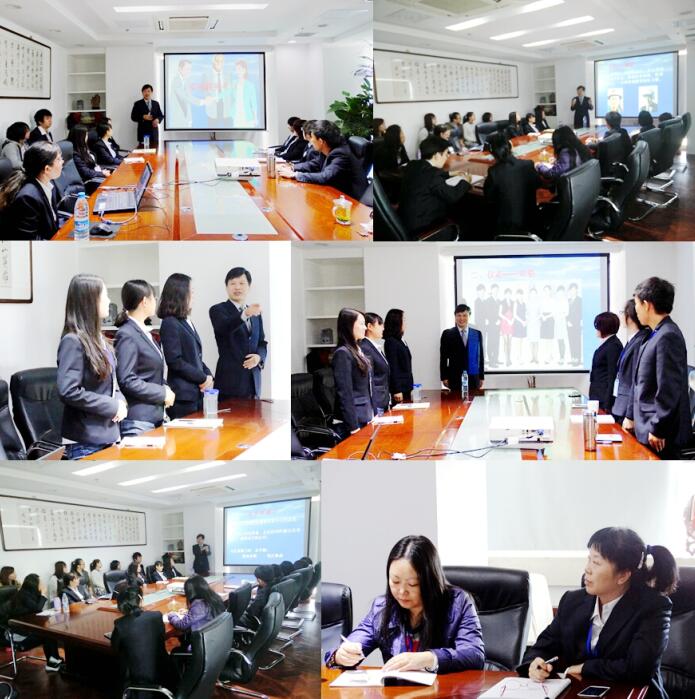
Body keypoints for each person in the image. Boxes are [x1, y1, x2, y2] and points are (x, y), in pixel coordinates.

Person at [518, 527, 677, 699]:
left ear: (623, 575)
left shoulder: (653, 607)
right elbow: (542, 647)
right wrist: (534, 664)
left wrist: (585, 668)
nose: (587, 569)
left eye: (596, 562)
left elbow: (637, 670)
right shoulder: (572, 601)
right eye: (589, 559)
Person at [326, 535, 484, 674]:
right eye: (395, 581)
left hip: (445, 691)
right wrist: (341, 655)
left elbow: (474, 655)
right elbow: (354, 643)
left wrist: (429, 658)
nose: (401, 592)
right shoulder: (381, 608)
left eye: (413, 584)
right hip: (398, 692)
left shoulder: (458, 603)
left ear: (430, 581)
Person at [57, 274, 125, 459]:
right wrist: (111, 405)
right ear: (90, 301)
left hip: (108, 434)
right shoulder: (73, 341)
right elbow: (68, 391)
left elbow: (111, 383)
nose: (109, 301)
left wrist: (120, 401)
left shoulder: (99, 339)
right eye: (105, 296)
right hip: (86, 441)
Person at [624, 277, 691, 458]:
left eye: (637, 304)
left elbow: (669, 388)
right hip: (645, 426)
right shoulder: (654, 334)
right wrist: (631, 416)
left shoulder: (668, 336)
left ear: (647, 305)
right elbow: (639, 381)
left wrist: (658, 428)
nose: (635, 310)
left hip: (659, 435)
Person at [114, 280, 173, 437]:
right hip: (139, 420)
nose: (156, 301)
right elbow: (127, 380)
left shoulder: (144, 331)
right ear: (144, 301)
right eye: (154, 297)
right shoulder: (127, 334)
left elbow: (151, 372)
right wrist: (161, 393)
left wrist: (165, 388)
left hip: (154, 416)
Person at [157, 273, 213, 420]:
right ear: (180, 293)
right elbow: (175, 361)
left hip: (195, 394)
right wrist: (202, 378)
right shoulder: (170, 322)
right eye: (191, 292)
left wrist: (208, 375)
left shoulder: (185, 321)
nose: (193, 296)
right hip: (183, 397)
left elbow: (195, 357)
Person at [209, 267, 267, 401]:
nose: (237, 287)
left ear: (249, 286)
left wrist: (259, 357)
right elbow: (224, 327)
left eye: (242, 283)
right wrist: (244, 314)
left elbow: (262, 342)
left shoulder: (255, 314)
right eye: (233, 283)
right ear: (226, 287)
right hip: (230, 383)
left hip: (254, 382)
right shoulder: (217, 310)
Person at [397, 136, 470, 239]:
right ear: (436, 155)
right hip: (423, 229)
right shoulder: (433, 175)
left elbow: (427, 173)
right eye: (446, 153)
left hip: (404, 222)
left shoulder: (413, 165)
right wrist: (465, 181)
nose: (447, 157)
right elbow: (453, 196)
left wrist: (450, 173)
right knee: (464, 221)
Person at [111, 586, 177, 698]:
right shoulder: (156, 616)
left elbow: (115, 647)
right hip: (166, 675)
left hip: (141, 683)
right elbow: (160, 638)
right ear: (141, 600)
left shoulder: (120, 624)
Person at [278, 119, 368, 199]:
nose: (310, 141)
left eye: (312, 138)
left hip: (350, 200)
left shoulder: (340, 153)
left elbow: (325, 176)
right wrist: (293, 167)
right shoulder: (329, 147)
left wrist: (295, 175)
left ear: (321, 141)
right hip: (334, 192)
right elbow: (315, 163)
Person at [1, 141, 64, 240]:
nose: (63, 161)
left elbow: (53, 221)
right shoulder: (27, 198)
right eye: (59, 159)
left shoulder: (49, 184)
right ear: (47, 169)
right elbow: (30, 241)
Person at [0, 574, 63, 671]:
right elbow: (36, 609)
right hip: (15, 634)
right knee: (47, 634)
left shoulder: (29, 595)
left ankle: (54, 660)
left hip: (23, 630)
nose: (42, 584)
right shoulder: (24, 596)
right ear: (34, 584)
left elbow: (34, 611)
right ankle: (52, 662)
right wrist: (43, 595)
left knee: (49, 633)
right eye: (40, 583)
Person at [484, 133, 541, 236]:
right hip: (533, 222)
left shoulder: (494, 172)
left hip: (508, 229)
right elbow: (538, 184)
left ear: (492, 153)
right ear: (510, 146)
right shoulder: (528, 164)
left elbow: (489, 198)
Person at [331, 308, 373, 438]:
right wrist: (353, 427)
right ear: (349, 326)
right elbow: (345, 393)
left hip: (365, 414)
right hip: (354, 421)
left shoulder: (357, 350)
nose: (365, 327)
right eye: (361, 324)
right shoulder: (343, 353)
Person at [612, 299, 650, 424]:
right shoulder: (633, 339)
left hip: (628, 407)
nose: (621, 316)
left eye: (622, 312)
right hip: (621, 403)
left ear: (630, 317)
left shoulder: (641, 341)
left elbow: (636, 380)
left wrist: (630, 414)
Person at [440, 304, 485, 395]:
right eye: (459, 315)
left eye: (465, 315)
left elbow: (480, 357)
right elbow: (443, 358)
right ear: (455, 317)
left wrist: (481, 376)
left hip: (473, 377)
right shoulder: (447, 334)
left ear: (469, 316)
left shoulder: (477, 334)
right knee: (455, 402)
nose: (461, 318)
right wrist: (444, 377)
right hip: (454, 377)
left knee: (473, 401)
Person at [167, 575, 225, 641]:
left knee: (176, 645)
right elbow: (203, 613)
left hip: (206, 642)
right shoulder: (213, 597)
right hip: (218, 637)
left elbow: (181, 624)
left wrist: (172, 615)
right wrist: (189, 611)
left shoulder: (199, 604)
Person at [589, 312, 623, 412]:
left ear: (604, 327)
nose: (596, 329)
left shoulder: (613, 346)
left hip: (604, 399)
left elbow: (612, 376)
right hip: (598, 396)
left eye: (598, 326)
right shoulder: (607, 343)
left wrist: (608, 405)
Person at [359, 312, 390, 415]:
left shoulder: (373, 346)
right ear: (370, 326)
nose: (383, 328)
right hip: (376, 401)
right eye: (380, 324)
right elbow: (369, 378)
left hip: (382, 398)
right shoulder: (365, 347)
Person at [384, 308, 413, 405]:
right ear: (396, 321)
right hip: (399, 389)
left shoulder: (400, 340)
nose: (405, 323)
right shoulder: (391, 341)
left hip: (406, 386)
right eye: (403, 319)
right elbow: (393, 367)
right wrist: (396, 389)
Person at [239, 565, 275, 629]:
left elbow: (252, 611)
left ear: (259, 580)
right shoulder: (273, 586)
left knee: (232, 617)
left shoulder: (263, 593)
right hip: (267, 620)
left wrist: (244, 607)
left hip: (255, 621)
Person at [131, 83, 164, 148]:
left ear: (152, 92)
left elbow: (161, 115)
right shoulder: (137, 104)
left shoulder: (156, 103)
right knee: (143, 152)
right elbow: (133, 117)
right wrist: (143, 117)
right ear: (142, 93)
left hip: (154, 133)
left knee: (155, 151)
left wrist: (157, 120)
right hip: (143, 133)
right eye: (145, 91)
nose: (147, 93)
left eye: (148, 91)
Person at [567, 283, 583, 366]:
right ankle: (573, 358)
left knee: (577, 341)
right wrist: (567, 321)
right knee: (571, 341)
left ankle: (578, 360)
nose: (573, 291)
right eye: (572, 289)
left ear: (577, 290)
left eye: (575, 289)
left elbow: (580, 313)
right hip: (569, 324)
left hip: (577, 324)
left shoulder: (580, 300)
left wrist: (576, 322)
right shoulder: (568, 300)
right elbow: (566, 312)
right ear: (570, 291)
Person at [486, 285, 501, 368]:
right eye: (494, 290)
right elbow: (487, 313)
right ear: (491, 290)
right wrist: (494, 321)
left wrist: (499, 320)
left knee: (496, 342)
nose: (496, 291)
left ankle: (495, 359)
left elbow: (500, 312)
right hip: (491, 325)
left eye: (497, 290)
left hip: (497, 325)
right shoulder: (488, 300)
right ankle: (491, 361)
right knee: (491, 343)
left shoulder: (498, 300)